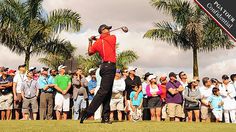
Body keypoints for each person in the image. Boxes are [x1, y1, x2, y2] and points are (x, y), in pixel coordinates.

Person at [80, 24, 116, 124]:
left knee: (107, 93)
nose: (109, 30)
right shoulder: (112, 37)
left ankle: (105, 118)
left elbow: (90, 51)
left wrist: (91, 41)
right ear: (102, 30)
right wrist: (95, 39)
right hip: (109, 67)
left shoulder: (99, 42)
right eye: (107, 29)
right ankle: (87, 112)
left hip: (105, 67)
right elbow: (105, 40)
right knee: (103, 91)